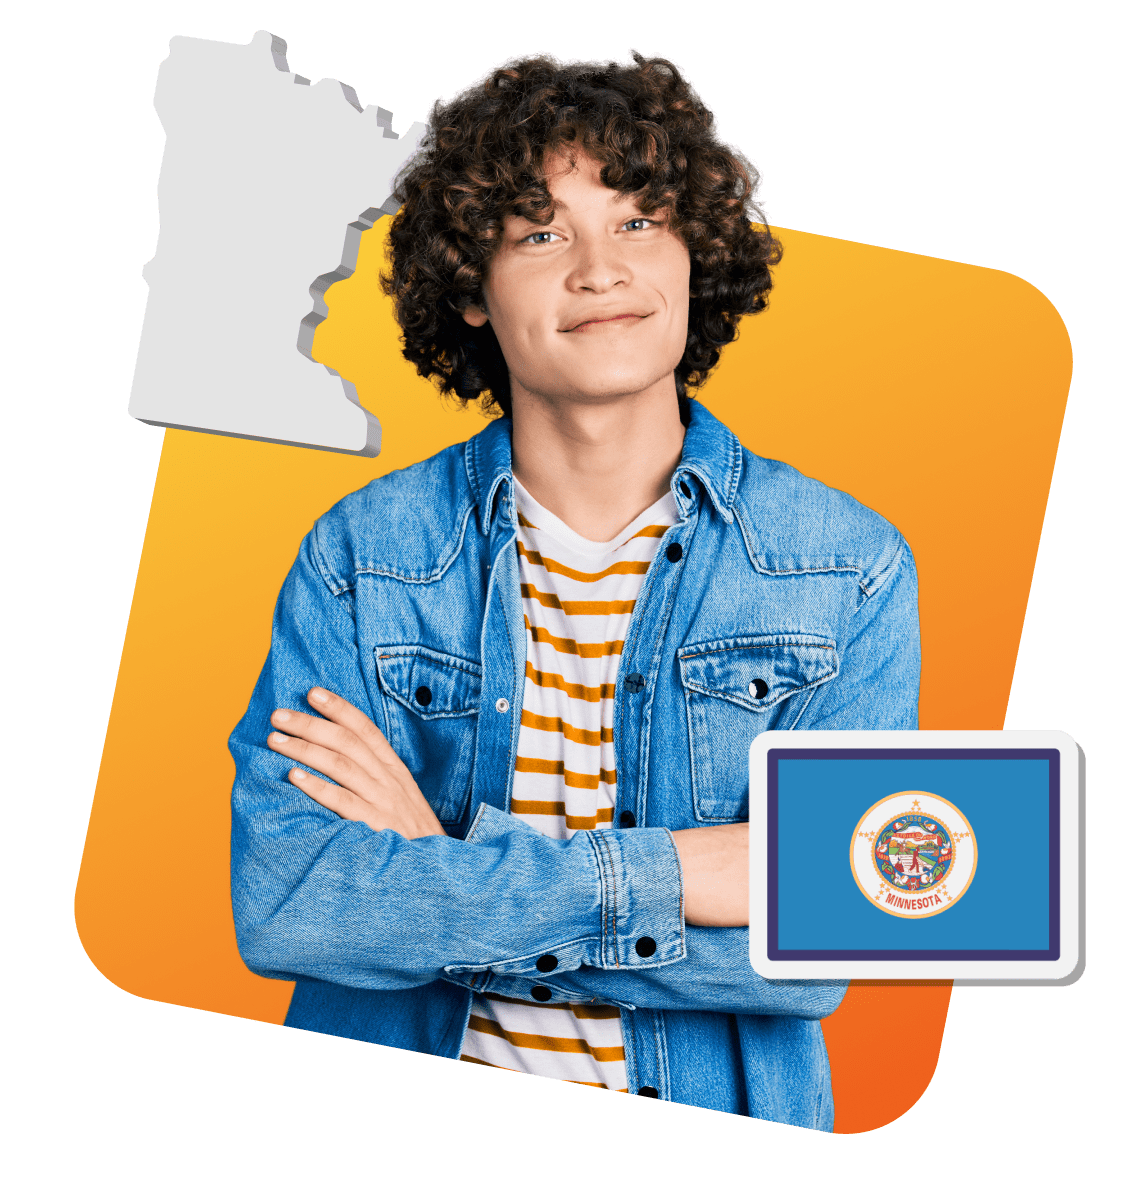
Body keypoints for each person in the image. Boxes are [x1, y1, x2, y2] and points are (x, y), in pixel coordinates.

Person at [229, 51, 920, 1130]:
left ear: (696, 257)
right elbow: (292, 906)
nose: (600, 271)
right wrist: (674, 879)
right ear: (470, 288)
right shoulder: (361, 558)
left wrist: (438, 873)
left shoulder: (846, 566)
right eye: (541, 235)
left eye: (638, 222)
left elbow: (820, 955)